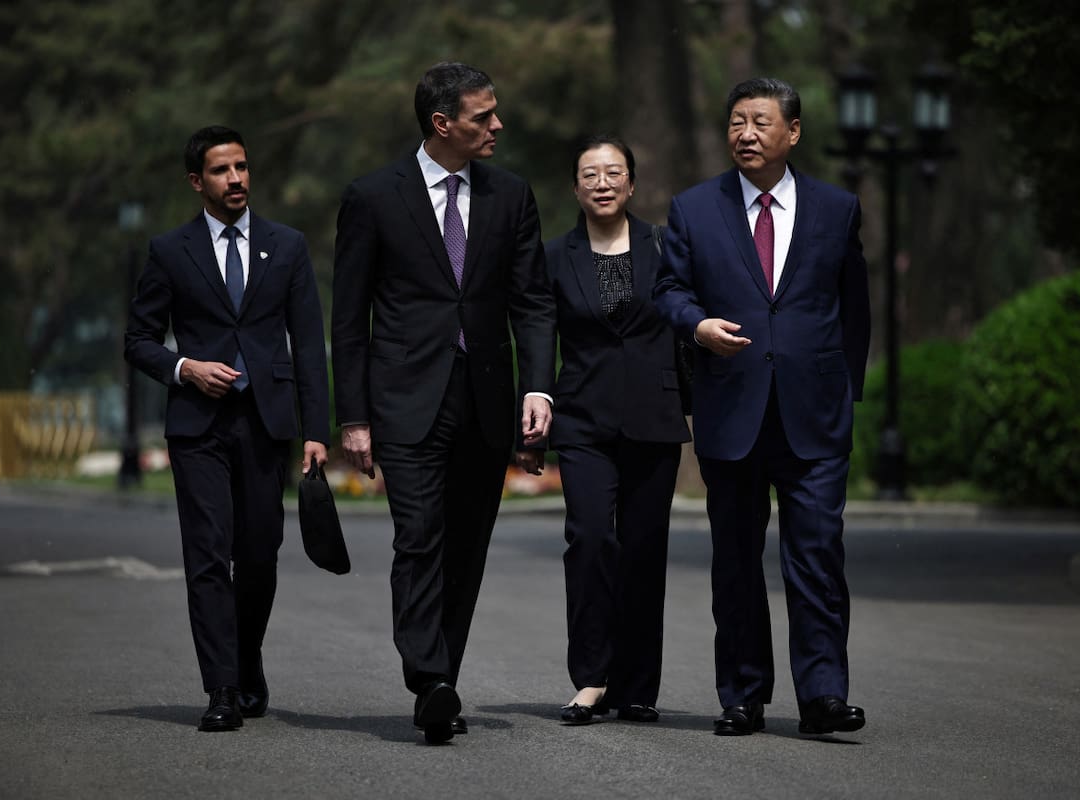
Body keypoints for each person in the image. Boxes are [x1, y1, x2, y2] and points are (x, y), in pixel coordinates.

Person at [330, 62, 557, 744]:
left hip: (486, 401)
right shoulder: (372, 197)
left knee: (466, 546)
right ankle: (428, 676)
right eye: (483, 117)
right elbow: (348, 318)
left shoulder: (512, 196)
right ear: (442, 124)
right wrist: (354, 416)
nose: (497, 125)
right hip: (404, 401)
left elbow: (533, 301)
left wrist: (539, 386)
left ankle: (442, 681)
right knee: (419, 536)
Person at [653, 78, 871, 736]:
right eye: (737, 122)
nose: (746, 133)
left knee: (817, 557)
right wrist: (697, 327)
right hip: (733, 411)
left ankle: (823, 696)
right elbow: (668, 290)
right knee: (737, 562)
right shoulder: (695, 208)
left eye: (761, 122)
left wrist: (845, 392)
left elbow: (853, 309)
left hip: (814, 415)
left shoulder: (838, 209)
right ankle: (743, 694)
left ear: (793, 133)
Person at [125, 125, 330, 732]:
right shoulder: (170, 250)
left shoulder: (287, 246)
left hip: (267, 425)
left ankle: (246, 658)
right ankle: (221, 688)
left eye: (242, 167)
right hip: (198, 429)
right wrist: (185, 367)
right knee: (208, 557)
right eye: (221, 170)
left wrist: (316, 429)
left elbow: (309, 347)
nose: (236, 178)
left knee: (259, 555)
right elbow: (137, 340)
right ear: (197, 181)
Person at [544, 136, 690, 725]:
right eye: (590, 174)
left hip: (653, 418)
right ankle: (591, 678)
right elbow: (538, 336)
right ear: (575, 187)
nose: (602, 183)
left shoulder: (666, 246)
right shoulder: (555, 256)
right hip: (582, 418)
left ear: (631, 184)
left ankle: (635, 687)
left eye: (613, 173)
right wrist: (535, 415)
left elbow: (686, 321)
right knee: (589, 540)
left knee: (644, 550)